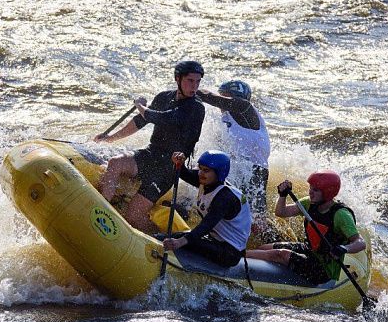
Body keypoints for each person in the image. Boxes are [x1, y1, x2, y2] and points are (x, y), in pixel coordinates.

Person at [93, 61, 206, 233]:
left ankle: (159, 240)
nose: (194, 86)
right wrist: (111, 138)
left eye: (198, 81)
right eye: (190, 81)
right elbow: (140, 121)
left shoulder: (196, 108)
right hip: (151, 154)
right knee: (115, 163)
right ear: (178, 79)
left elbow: (161, 118)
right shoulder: (163, 97)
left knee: (133, 217)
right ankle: (100, 214)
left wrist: (139, 105)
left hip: (169, 168)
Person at [246, 170, 366, 284]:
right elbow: (281, 212)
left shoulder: (341, 215)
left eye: (315, 190)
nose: (310, 192)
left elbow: (360, 242)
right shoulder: (309, 203)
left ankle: (237, 255)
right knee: (265, 247)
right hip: (310, 250)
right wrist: (282, 196)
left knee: (280, 254)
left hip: (324, 269)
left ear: (327, 193)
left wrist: (344, 248)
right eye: (310, 188)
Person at [196, 80, 271, 237]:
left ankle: (272, 245)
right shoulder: (226, 120)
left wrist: (192, 89)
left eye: (225, 96)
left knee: (257, 224)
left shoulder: (245, 108)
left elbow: (212, 98)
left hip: (254, 172)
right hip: (238, 170)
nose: (222, 104)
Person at [162, 150, 252, 268]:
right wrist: (179, 163)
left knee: (180, 240)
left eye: (206, 170)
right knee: (170, 237)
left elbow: (206, 225)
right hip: (215, 240)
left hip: (229, 253)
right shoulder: (207, 180)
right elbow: (183, 173)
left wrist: (180, 242)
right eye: (200, 168)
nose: (200, 173)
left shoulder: (225, 198)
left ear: (219, 173)